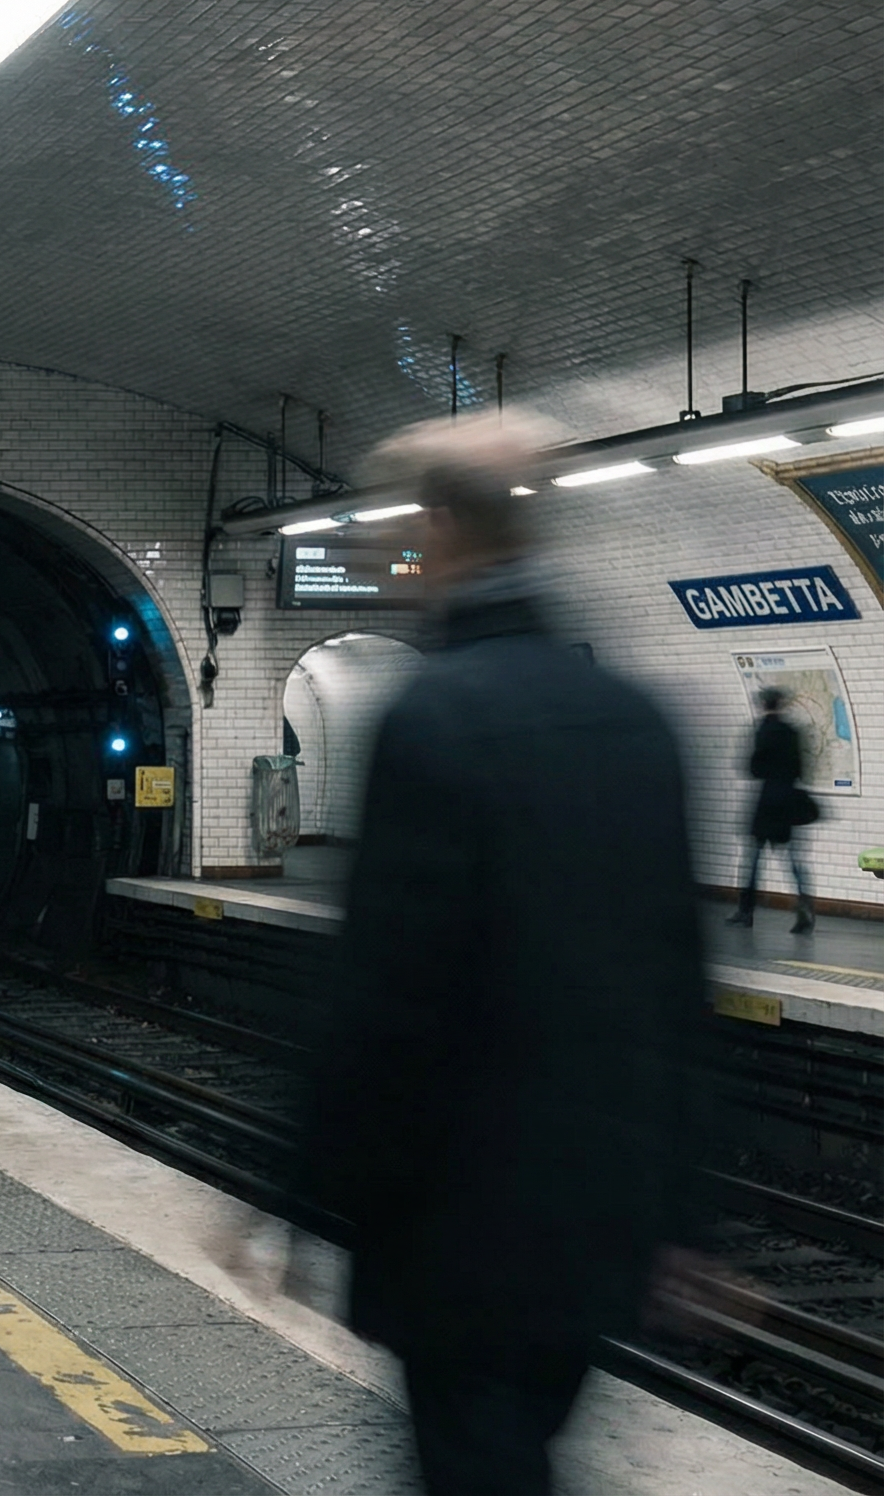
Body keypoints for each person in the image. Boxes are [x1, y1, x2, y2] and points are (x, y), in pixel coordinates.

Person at [298, 413, 707, 1496]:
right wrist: (682, 1216)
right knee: (525, 1444)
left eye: (397, 527)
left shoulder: (433, 714)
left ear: (436, 522)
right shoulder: (636, 714)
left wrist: (308, 1190)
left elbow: (387, 989)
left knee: (476, 1457)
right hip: (602, 1207)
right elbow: (681, 984)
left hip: (459, 1213)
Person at [729, 686, 817, 933]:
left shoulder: (763, 730)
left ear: (764, 704)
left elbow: (753, 769)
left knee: (753, 860)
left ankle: (746, 911)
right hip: (788, 803)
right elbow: (801, 768)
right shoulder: (791, 731)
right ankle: (805, 909)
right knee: (793, 862)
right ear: (781, 704)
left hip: (767, 802)